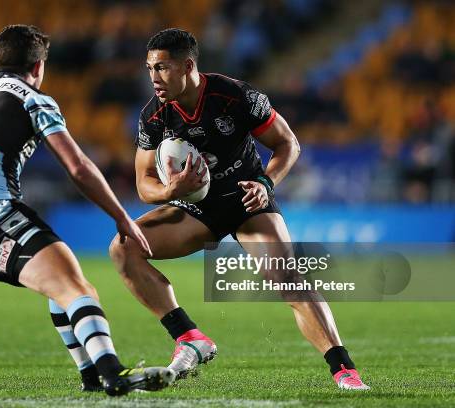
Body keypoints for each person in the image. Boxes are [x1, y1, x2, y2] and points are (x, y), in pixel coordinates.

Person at [109, 28, 369, 390]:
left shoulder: (235, 96)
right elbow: (143, 183)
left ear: (188, 65)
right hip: (195, 208)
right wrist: (170, 189)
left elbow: (287, 144)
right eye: (150, 68)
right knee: (123, 248)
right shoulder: (154, 116)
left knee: (286, 278)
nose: (154, 77)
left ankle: (344, 370)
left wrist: (265, 184)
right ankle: (189, 338)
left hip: (247, 201)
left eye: (163, 68)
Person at [0, 24, 175, 397]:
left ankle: (91, 375)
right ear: (39, 67)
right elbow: (77, 167)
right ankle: (113, 373)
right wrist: (121, 216)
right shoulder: (32, 97)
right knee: (77, 288)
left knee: (60, 286)